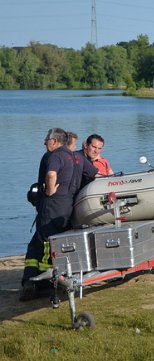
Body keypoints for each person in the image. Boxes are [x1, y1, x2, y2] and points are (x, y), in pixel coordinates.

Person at [21, 128, 93, 301]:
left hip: (51, 207)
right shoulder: (78, 157)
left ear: (54, 141)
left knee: (43, 245)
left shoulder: (54, 156)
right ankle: (44, 281)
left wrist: (51, 190)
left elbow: (51, 174)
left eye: (46, 139)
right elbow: (92, 174)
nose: (44, 142)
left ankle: (40, 284)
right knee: (57, 243)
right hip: (68, 208)